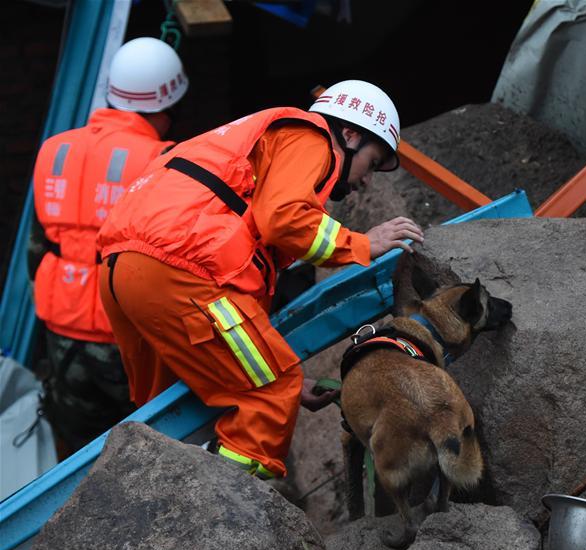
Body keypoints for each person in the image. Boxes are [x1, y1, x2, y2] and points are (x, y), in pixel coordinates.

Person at [96, 79, 424, 480]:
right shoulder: (312, 137)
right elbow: (283, 220)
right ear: (350, 134)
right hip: (179, 271)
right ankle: (222, 518)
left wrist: (266, 364)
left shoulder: (258, 147)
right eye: (372, 163)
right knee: (271, 395)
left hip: (124, 271)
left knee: (169, 411)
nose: (366, 180)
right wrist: (362, 243)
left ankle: (148, 502)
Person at [29, 37, 188, 457]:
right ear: (167, 104)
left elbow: (36, 248)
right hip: (124, 335)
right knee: (143, 450)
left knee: (78, 457)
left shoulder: (54, 149)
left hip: (60, 327)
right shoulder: (164, 160)